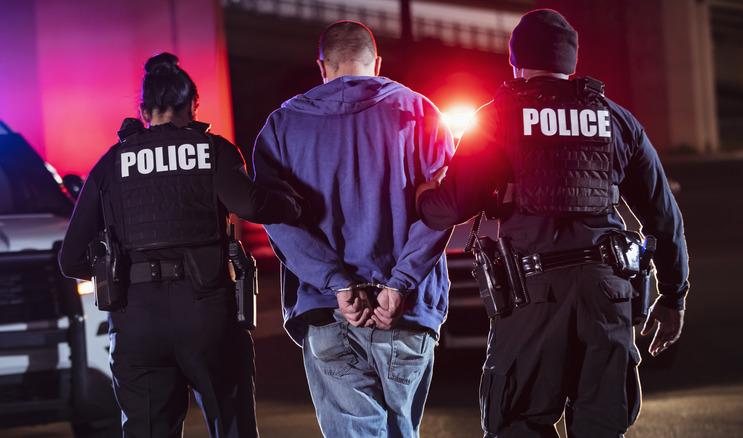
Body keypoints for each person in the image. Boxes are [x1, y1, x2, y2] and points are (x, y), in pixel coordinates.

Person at [416, 9, 689, 438]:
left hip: (532, 292)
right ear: (571, 63)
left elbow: (450, 208)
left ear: (516, 60)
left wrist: (424, 197)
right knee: (602, 424)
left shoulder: (497, 117)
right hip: (609, 289)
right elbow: (662, 214)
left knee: (517, 422)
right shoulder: (616, 119)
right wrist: (673, 296)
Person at [59, 52, 304, 438]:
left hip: (136, 322)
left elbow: (70, 259)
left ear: (142, 109)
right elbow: (253, 205)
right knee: (232, 427)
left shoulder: (111, 163)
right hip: (208, 314)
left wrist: (120, 267)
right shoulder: (214, 150)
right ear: (193, 104)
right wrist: (293, 202)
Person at [252, 21, 454, 438]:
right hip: (405, 309)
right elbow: (442, 211)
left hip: (327, 308)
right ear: (376, 63)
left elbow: (277, 219)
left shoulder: (282, 125)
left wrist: (338, 284)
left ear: (322, 67)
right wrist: (399, 284)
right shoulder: (420, 112)